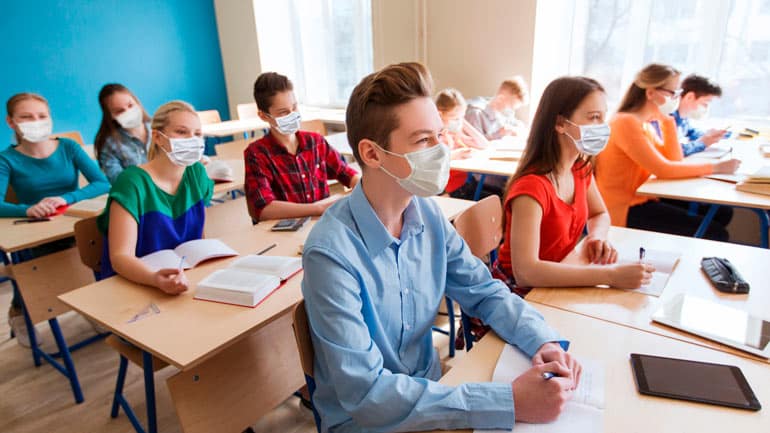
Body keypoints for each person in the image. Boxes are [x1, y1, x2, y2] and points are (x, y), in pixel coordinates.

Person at [301, 62, 581, 433]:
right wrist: (507, 402)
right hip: (364, 422)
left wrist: (541, 340)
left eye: (439, 135)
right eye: (423, 141)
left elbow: (483, 291)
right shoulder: (331, 253)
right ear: (372, 154)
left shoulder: (428, 215)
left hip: (430, 396)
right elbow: (366, 393)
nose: (442, 150)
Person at [494, 77, 652, 298]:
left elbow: (599, 213)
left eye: (603, 117)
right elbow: (526, 272)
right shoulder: (531, 189)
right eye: (593, 117)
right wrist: (611, 275)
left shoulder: (579, 167)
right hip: (519, 294)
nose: (602, 127)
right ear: (560, 123)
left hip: (559, 277)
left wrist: (597, 237)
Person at [1, 92, 110, 346]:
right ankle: (20, 312)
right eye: (26, 117)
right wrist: (27, 209)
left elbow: (102, 183)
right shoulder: (6, 159)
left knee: (98, 246)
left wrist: (68, 198)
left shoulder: (68, 147)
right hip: (36, 229)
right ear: (11, 122)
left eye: (42, 116)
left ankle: (91, 303)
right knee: (36, 266)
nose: (36, 121)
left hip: (71, 221)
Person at [595, 63, 740, 241]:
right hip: (624, 207)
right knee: (715, 233)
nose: (676, 99)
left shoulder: (646, 123)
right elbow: (663, 169)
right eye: (673, 93)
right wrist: (716, 168)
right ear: (650, 93)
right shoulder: (625, 122)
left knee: (723, 213)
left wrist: (667, 121)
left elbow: (674, 160)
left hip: (644, 197)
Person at [98, 101, 213, 293]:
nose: (192, 139)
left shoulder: (197, 173)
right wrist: (154, 279)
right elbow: (120, 257)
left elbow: (198, 235)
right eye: (182, 132)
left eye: (197, 134)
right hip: (136, 283)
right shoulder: (131, 183)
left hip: (181, 277)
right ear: (158, 138)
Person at [244, 72, 360, 222]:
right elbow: (263, 209)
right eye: (284, 112)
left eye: (294, 107)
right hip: (285, 232)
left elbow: (346, 173)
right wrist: (318, 208)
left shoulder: (315, 142)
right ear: (264, 116)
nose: (293, 115)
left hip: (322, 226)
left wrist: (361, 186)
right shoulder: (257, 154)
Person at [434, 88, 488, 198]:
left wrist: (462, 121)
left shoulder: (453, 133)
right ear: (440, 114)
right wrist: (456, 155)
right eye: (455, 118)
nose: (458, 121)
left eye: (462, 117)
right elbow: (433, 160)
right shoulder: (435, 135)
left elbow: (483, 144)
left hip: (465, 184)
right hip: (450, 190)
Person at [94, 83, 152, 183]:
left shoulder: (162, 129)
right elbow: (119, 182)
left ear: (137, 102)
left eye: (130, 105)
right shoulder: (109, 145)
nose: (128, 112)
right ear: (110, 116)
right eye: (119, 111)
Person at [672, 74, 728, 157]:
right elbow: (675, 151)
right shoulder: (669, 118)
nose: (706, 108)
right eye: (705, 103)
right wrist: (702, 143)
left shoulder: (683, 119)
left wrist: (713, 135)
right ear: (690, 97)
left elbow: (690, 131)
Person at [465, 75, 529, 140]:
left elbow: (517, 124)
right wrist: (499, 134)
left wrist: (515, 130)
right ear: (501, 98)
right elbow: (474, 142)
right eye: (510, 106)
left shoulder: (501, 114)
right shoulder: (475, 113)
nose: (511, 111)